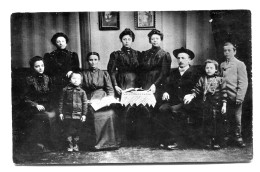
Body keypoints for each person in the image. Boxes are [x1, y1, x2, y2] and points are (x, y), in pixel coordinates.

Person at [158, 47, 201, 150]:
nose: (180, 60)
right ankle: (167, 139)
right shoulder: (173, 73)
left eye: (183, 58)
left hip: (189, 103)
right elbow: (166, 85)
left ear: (189, 60)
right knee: (161, 109)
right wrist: (165, 92)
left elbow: (199, 88)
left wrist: (192, 95)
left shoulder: (195, 73)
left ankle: (177, 141)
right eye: (178, 58)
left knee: (174, 111)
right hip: (174, 101)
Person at [43, 32, 80, 150]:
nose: (60, 43)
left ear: (66, 42)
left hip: (69, 86)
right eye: (58, 41)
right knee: (58, 112)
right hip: (55, 87)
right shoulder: (49, 56)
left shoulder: (73, 55)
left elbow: (77, 70)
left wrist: (71, 71)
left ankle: (71, 141)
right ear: (55, 43)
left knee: (70, 113)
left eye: (62, 41)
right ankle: (59, 142)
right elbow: (47, 72)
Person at [107, 28, 142, 142]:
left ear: (132, 41)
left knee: (135, 107)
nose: (127, 41)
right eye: (124, 39)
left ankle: (135, 136)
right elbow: (111, 71)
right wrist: (115, 85)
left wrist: (140, 84)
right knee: (124, 107)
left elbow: (141, 70)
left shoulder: (137, 54)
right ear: (121, 40)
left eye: (129, 39)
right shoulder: (116, 54)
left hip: (135, 81)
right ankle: (123, 137)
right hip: (122, 81)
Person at [184, 59, 227, 149]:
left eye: (211, 68)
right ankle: (208, 141)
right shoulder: (202, 79)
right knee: (206, 122)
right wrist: (192, 96)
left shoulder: (220, 80)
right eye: (207, 68)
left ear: (216, 69)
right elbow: (197, 89)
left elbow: (224, 93)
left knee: (216, 123)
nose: (209, 69)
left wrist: (224, 105)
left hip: (217, 105)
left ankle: (216, 142)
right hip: (206, 105)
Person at [82, 52, 119, 150]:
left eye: (95, 60)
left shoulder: (104, 73)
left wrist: (110, 99)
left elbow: (110, 89)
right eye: (90, 60)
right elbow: (80, 89)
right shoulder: (83, 74)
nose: (93, 62)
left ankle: (109, 143)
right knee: (92, 113)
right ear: (87, 61)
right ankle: (95, 143)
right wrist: (85, 99)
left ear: (98, 61)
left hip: (102, 97)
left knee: (110, 113)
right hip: (89, 97)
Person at [23, 56, 55, 152]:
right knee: (44, 118)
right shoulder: (29, 80)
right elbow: (25, 98)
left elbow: (51, 94)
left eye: (42, 65)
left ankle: (52, 143)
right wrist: (36, 105)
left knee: (55, 115)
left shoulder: (47, 78)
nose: (40, 68)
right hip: (34, 107)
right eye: (37, 66)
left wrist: (52, 107)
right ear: (33, 67)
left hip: (47, 106)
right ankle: (41, 144)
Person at [220, 42, 248, 147]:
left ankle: (238, 137)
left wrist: (240, 97)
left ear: (234, 51)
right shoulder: (222, 65)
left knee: (237, 118)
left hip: (235, 95)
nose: (226, 52)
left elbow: (243, 82)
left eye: (229, 50)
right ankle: (226, 137)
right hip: (224, 96)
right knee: (225, 117)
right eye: (225, 51)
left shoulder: (239, 64)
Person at [58, 72, 88, 152]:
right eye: (73, 78)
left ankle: (76, 144)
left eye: (78, 79)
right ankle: (70, 144)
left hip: (78, 115)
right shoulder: (65, 90)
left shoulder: (82, 92)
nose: (76, 80)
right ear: (70, 80)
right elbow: (61, 102)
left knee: (77, 130)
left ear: (81, 81)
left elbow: (85, 103)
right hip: (67, 115)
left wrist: (84, 115)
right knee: (68, 130)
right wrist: (60, 113)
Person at [139, 29, 172, 99]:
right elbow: (142, 70)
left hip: (158, 82)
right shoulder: (145, 53)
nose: (155, 40)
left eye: (157, 38)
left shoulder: (164, 54)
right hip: (146, 81)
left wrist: (155, 84)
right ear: (150, 40)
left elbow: (164, 73)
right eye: (153, 39)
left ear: (160, 40)